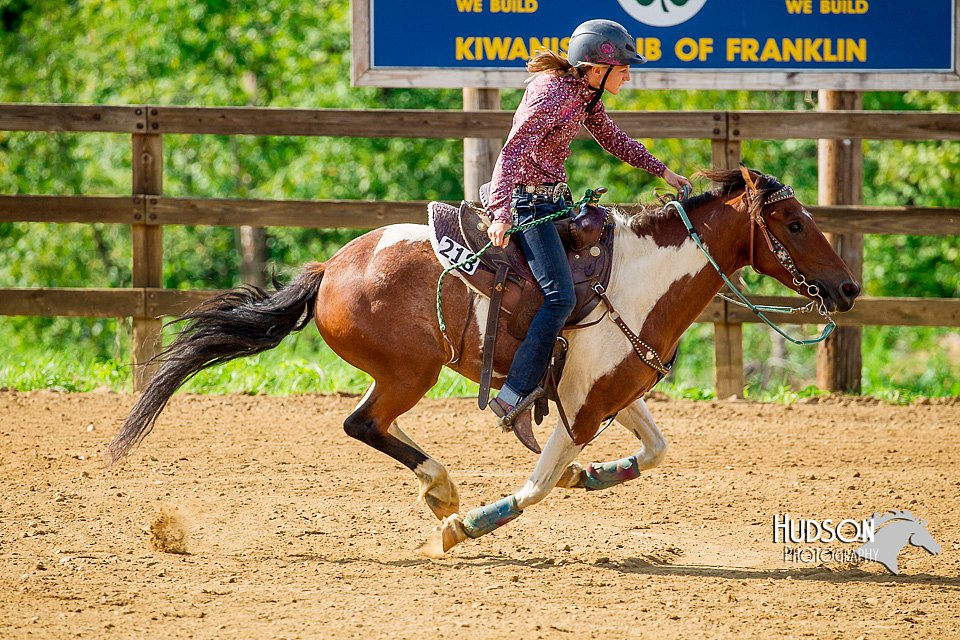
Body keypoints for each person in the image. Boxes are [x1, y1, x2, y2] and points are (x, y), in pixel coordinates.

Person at [484, 18, 690, 449]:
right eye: (624, 68)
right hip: (527, 204)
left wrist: (663, 171)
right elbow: (512, 151)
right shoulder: (552, 94)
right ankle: (514, 393)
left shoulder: (584, 94)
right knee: (558, 294)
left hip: (554, 201)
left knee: (596, 281)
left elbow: (613, 139)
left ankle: (571, 373)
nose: (629, 75)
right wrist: (501, 211)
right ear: (597, 67)